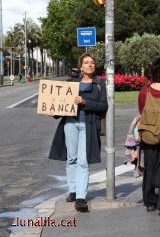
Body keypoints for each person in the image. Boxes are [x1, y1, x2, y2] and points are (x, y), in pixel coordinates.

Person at [49, 52, 108, 212]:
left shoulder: (99, 84)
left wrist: (85, 102)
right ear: (81, 66)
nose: (90, 65)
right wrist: (53, 110)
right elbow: (62, 104)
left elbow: (103, 106)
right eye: (87, 62)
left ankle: (81, 198)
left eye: (92, 63)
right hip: (70, 123)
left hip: (88, 126)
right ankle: (73, 191)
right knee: (72, 158)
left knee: (83, 161)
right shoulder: (71, 84)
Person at [138, 56, 160, 215]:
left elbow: (141, 111)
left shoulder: (145, 91)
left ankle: (149, 201)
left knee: (150, 167)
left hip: (149, 133)